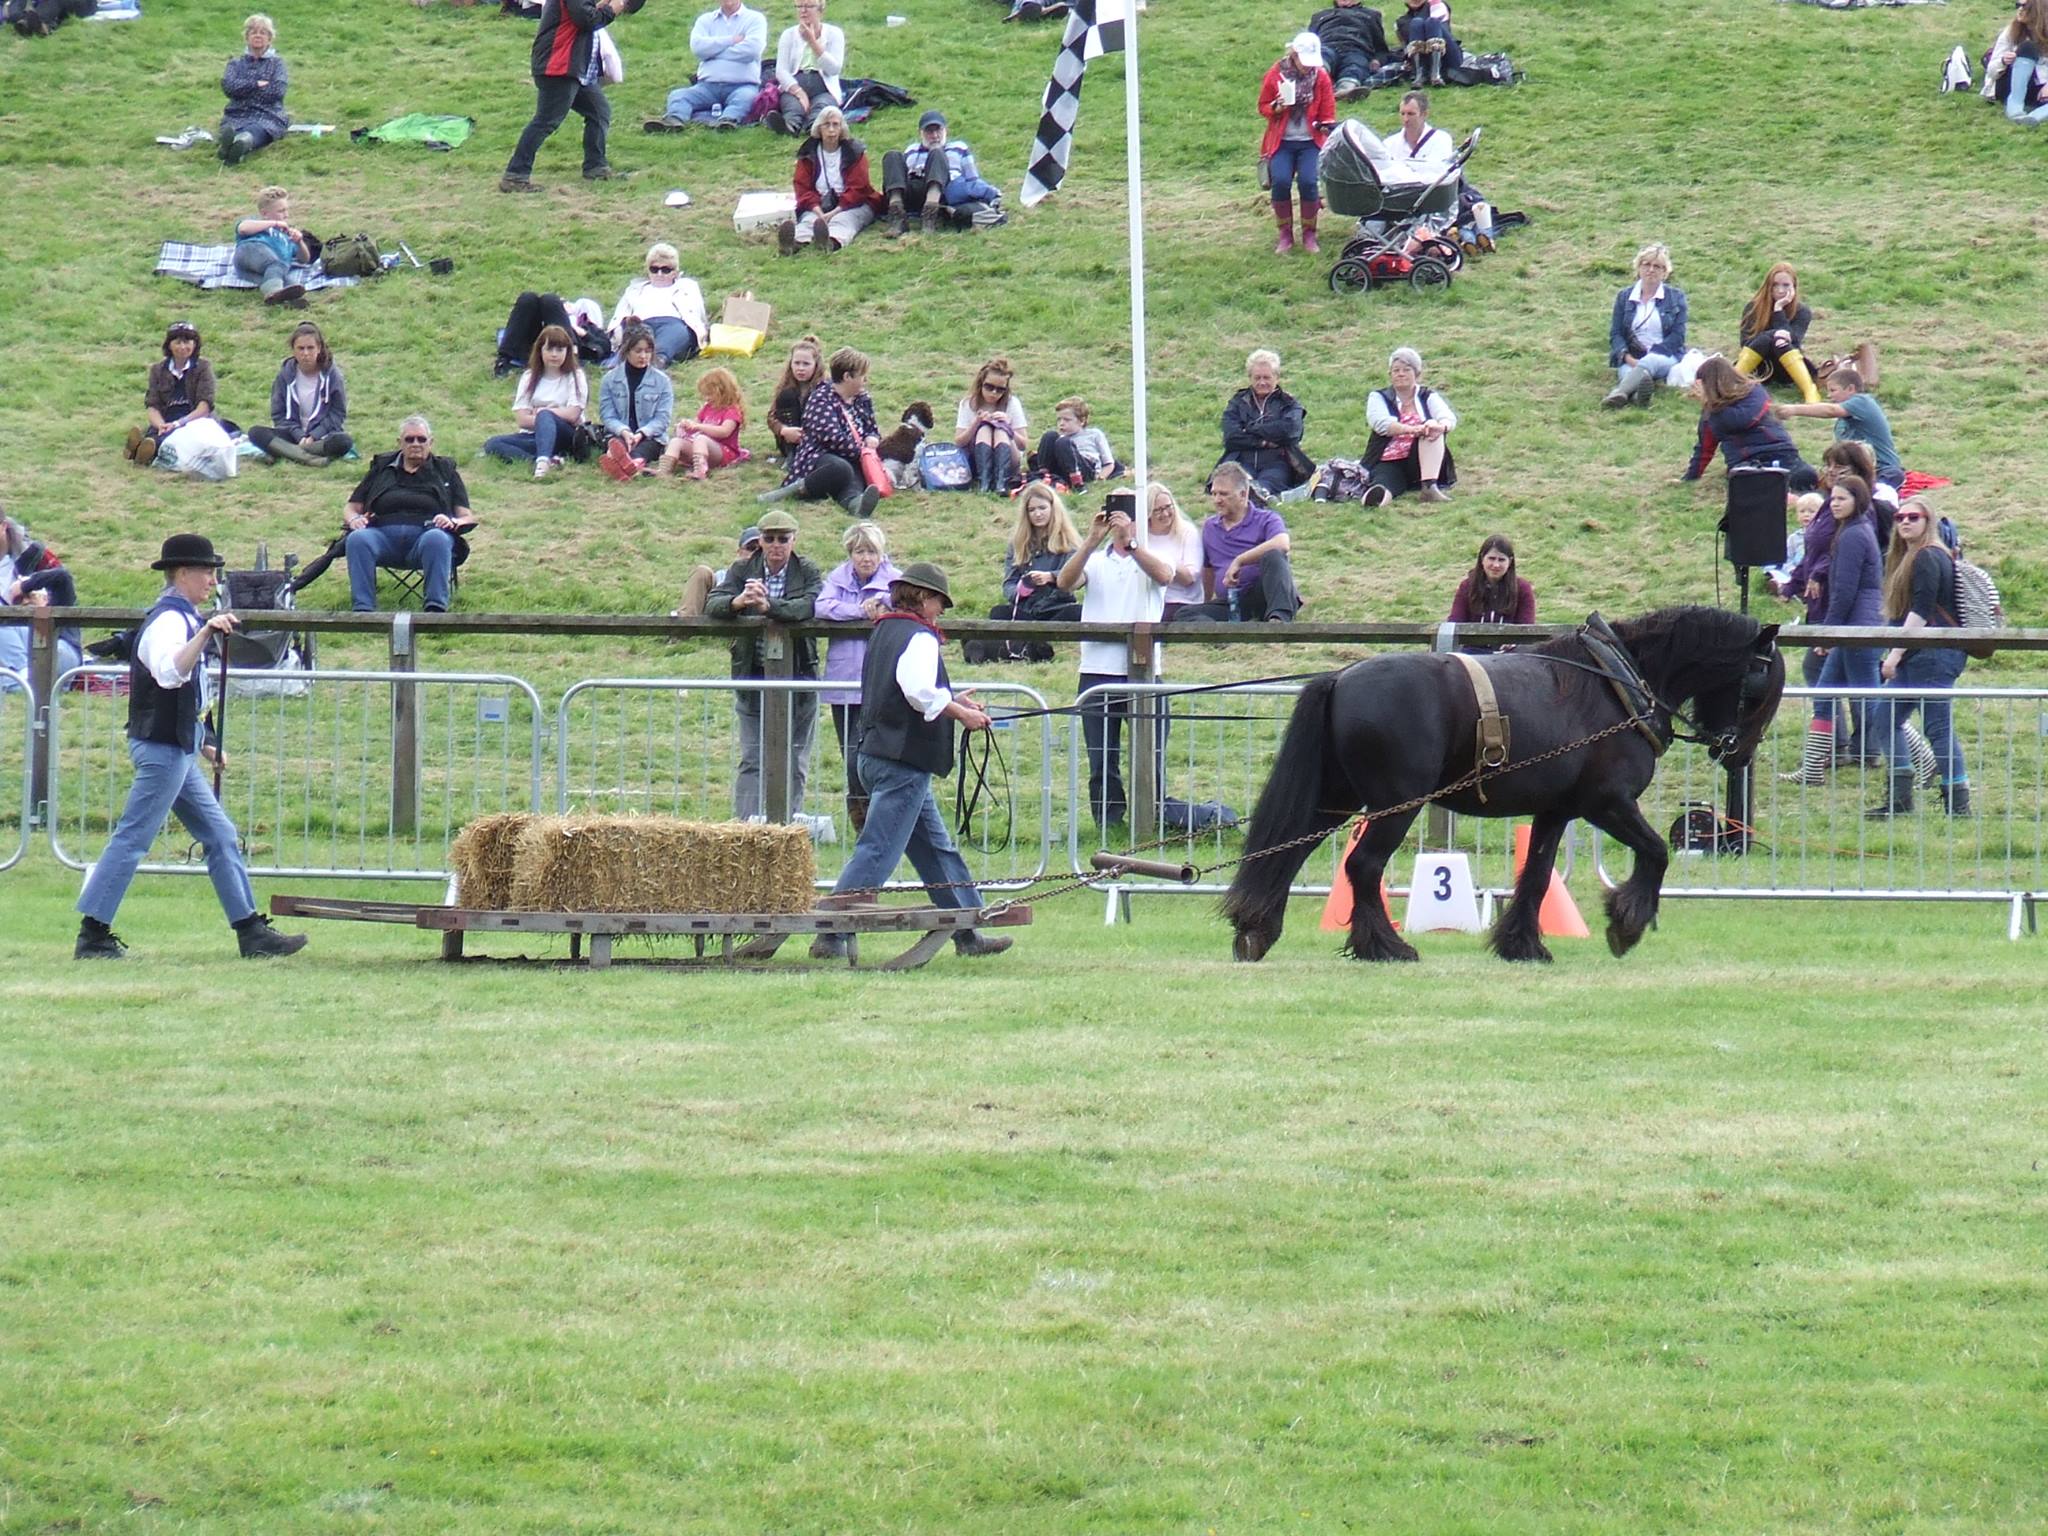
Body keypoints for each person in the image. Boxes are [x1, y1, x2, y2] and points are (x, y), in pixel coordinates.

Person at [72, 534, 308, 963]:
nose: (213, 580)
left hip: (177, 748)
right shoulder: (169, 622)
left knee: (220, 836)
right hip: (163, 751)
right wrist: (203, 634)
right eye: (207, 571)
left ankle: (250, 931)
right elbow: (168, 674)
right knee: (133, 839)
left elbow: (194, 696)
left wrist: (207, 743)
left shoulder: (183, 618)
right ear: (182, 573)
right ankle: (92, 933)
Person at [809, 562, 1013, 962]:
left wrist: (956, 700)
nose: (941, 610)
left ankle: (968, 931)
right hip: (900, 761)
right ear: (922, 597)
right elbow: (918, 691)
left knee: (937, 850)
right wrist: (961, 713)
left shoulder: (885, 630)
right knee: (878, 849)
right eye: (939, 601)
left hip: (878, 756)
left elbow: (902, 689)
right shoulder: (919, 637)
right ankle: (830, 934)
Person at [1058, 493, 1175, 826]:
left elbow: (1165, 575)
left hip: (1145, 672)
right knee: (1101, 757)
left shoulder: (1154, 554)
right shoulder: (1094, 561)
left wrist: (1133, 544)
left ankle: (1152, 816)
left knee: (1151, 754)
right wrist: (1092, 539)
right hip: (1097, 671)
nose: (1121, 523)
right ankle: (1108, 822)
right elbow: (1065, 583)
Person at [704, 509, 822, 820]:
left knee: (795, 757)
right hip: (752, 674)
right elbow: (713, 602)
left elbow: (810, 604)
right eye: (769, 539)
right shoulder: (742, 569)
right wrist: (738, 602)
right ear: (760, 541)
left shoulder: (807, 569)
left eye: (783, 539)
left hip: (799, 676)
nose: (776, 546)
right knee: (752, 756)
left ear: (794, 540)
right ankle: (745, 825)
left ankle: (789, 822)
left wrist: (771, 607)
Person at [1870, 497, 1971, 818]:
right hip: (1918, 656)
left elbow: (1921, 612)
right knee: (1884, 719)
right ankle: (1900, 798)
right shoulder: (1909, 557)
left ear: (1929, 521)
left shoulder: (1929, 556)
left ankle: (1958, 803)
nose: (1905, 522)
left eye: (1915, 517)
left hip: (1933, 655)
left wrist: (1894, 655)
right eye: (1900, 517)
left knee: (1938, 728)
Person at [1782, 475, 1883, 788]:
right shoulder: (1851, 531)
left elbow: (1844, 591)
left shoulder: (1853, 535)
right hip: (1852, 629)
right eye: (1833, 499)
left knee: (1874, 702)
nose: (1835, 504)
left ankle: (1921, 760)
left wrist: (1828, 633)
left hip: (1857, 630)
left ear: (1858, 501)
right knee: (1825, 693)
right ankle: (1813, 768)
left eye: (1842, 499)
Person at [501, 0, 645, 193]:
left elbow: (585, 14)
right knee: (546, 121)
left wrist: (603, 6)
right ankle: (515, 176)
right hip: (559, 66)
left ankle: (596, 167)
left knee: (598, 112)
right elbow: (587, 20)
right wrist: (615, 7)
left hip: (572, 68)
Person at [343, 417, 477, 612]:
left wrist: (451, 521)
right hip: (382, 537)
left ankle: (435, 610)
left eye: (421, 439)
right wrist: (355, 520)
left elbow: (467, 517)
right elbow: (350, 507)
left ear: (430, 443)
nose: (416, 444)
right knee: (357, 539)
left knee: (438, 538)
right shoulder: (381, 468)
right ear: (400, 443)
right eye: (409, 439)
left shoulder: (445, 470)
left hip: (426, 536)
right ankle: (363, 610)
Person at [815, 520, 898, 833]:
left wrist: (882, 605)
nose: (866, 558)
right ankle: (861, 820)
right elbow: (823, 608)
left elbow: (900, 604)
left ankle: (878, 817)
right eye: (860, 551)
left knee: (871, 754)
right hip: (843, 680)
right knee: (849, 753)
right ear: (851, 553)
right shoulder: (837, 579)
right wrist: (860, 611)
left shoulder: (894, 580)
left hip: (879, 681)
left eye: (872, 552)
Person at [1171, 462, 1300, 623]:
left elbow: (1282, 543)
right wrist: (1206, 601)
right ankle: (1217, 634)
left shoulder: (1267, 519)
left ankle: (1279, 619)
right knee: (1184, 613)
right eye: (1214, 494)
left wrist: (1240, 561)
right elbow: (1208, 569)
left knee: (1274, 556)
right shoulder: (1210, 527)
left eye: (1224, 494)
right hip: (1233, 603)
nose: (1217, 500)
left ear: (1243, 494)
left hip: (1264, 595)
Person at [766, 345, 884, 514]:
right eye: (862, 376)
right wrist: (862, 452)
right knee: (840, 468)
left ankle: (856, 504)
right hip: (819, 456)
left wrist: (872, 438)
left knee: (855, 472)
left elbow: (872, 427)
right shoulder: (821, 397)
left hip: (854, 456)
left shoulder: (863, 398)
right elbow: (831, 438)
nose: (865, 381)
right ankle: (789, 492)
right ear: (847, 377)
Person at [1259, 32, 1336, 255]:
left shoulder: (1320, 77)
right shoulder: (1275, 74)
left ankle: (1310, 234)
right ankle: (1285, 234)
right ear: (1294, 55)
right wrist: (1276, 108)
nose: (1308, 67)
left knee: (1309, 182)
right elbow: (1263, 106)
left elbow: (1328, 111)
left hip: (1310, 141)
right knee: (1281, 181)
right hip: (1282, 141)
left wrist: (1325, 125)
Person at [1680, 356, 1811, 485]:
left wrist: (1710, 404)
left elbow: (1741, 420)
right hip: (1746, 462)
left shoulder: (1754, 392)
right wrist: (1690, 478)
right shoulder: (1711, 412)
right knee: (1751, 484)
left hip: (1780, 452)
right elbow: (1704, 448)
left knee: (1806, 476)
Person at [985, 482, 1084, 648]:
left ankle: (1034, 640)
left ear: (1053, 509)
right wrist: (1021, 589)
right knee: (998, 612)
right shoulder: (1017, 544)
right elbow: (1008, 583)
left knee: (1078, 612)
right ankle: (1031, 642)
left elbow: (1077, 577)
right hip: (1026, 608)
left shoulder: (1070, 542)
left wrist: (1050, 577)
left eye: (1042, 508)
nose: (1038, 514)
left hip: (1057, 607)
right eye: (1032, 510)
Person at [1774, 367, 1903, 491]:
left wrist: (1794, 409)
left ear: (1851, 389)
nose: (1829, 396)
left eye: (1833, 390)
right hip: (1853, 472)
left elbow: (1830, 410)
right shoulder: (1841, 422)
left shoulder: (1862, 401)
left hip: (1882, 469)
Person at [483, 324, 588, 476]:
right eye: (549, 349)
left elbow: (573, 414)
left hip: (566, 434)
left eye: (559, 350)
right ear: (540, 350)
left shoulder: (575, 375)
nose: (554, 355)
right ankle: (544, 460)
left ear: (567, 352)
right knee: (493, 444)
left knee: (545, 415)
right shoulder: (528, 377)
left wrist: (543, 414)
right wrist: (546, 421)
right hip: (534, 435)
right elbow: (522, 420)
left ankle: (542, 463)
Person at [880, 110, 1004, 237]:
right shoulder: (912, 150)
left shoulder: (959, 148)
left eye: (938, 130)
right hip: (914, 189)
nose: (934, 136)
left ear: (945, 131)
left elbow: (972, 179)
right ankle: (897, 216)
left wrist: (990, 193)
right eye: (929, 132)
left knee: (937, 152)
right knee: (892, 155)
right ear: (921, 133)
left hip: (942, 192)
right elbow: (898, 176)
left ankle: (930, 214)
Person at [1362, 346, 1457, 505]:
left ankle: (1429, 487)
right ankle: (1375, 500)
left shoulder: (1428, 395)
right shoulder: (1378, 397)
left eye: (1406, 370)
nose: (1400, 374)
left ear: (1417, 374)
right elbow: (1381, 424)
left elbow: (1447, 418)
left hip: (1422, 460)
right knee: (1384, 484)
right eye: (1396, 370)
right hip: (1389, 459)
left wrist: (1440, 427)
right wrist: (1412, 430)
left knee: (1432, 427)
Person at [781, 106, 884, 253]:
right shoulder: (807, 153)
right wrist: (818, 212)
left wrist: (834, 212)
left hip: (852, 204)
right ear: (819, 128)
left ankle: (829, 243)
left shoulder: (854, 152)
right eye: (826, 125)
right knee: (809, 221)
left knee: (844, 221)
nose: (831, 130)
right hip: (819, 204)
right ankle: (794, 243)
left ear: (842, 128)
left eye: (835, 124)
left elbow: (859, 188)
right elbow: (802, 187)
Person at [652, 0, 768, 127]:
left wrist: (712, 52)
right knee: (678, 95)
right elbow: (698, 48)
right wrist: (731, 40)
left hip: (742, 86)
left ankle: (727, 121)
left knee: (746, 99)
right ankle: (674, 121)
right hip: (706, 87)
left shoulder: (755, 19)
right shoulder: (705, 20)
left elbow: (752, 50)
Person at [251, 322, 352, 467]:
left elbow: (337, 414)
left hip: (322, 436)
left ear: (319, 349)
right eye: (300, 348)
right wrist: (299, 435)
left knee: (344, 441)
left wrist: (313, 435)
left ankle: (286, 453)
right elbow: (279, 415)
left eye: (310, 348)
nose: (305, 353)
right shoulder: (284, 376)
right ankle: (309, 458)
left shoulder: (333, 376)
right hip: (291, 435)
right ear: (293, 350)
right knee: (255, 432)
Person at [0, 514, 82, 686]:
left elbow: (63, 577)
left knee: (53, 653)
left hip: (59, 644)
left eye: (30, 596)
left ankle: (21, 680)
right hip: (20, 643)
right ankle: (21, 677)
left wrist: (24, 587)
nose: (26, 601)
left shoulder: (35, 559)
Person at [1604, 242, 1688, 409]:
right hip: (1632, 356)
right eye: (1646, 264)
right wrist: (1627, 357)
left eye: (1657, 266)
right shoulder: (1624, 296)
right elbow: (1616, 333)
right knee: (1629, 372)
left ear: (1665, 272)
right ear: (1638, 267)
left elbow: (1678, 336)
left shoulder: (1676, 297)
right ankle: (1638, 398)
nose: (1651, 269)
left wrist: (1652, 355)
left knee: (1650, 362)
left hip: (1664, 355)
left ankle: (1618, 393)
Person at [1217, 348, 1310, 499]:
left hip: (1277, 462)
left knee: (1270, 481)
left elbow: (1290, 432)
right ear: (1250, 378)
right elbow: (1231, 437)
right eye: (1257, 377)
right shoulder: (1237, 402)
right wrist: (1264, 442)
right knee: (1236, 479)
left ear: (1277, 377)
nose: (1262, 382)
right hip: (1242, 459)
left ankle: (1258, 493)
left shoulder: (1289, 403)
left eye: (1267, 377)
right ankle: (1250, 492)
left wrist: (1250, 428)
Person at [125, 322, 220, 468]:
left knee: (173, 439)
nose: (183, 347)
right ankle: (141, 449)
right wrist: (160, 424)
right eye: (178, 342)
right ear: (169, 345)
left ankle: (141, 450)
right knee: (160, 434)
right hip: (166, 419)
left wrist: (178, 423)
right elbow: (152, 405)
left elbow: (205, 406)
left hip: (192, 420)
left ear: (195, 345)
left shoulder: (203, 368)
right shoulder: (157, 370)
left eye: (187, 342)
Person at [1734, 262, 1822, 405]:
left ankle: (1810, 392)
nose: (1780, 290)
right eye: (1775, 285)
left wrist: (1778, 309)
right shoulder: (1752, 308)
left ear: (1794, 287)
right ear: (1768, 287)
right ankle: (1732, 382)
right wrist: (1773, 333)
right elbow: (1745, 344)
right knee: (1769, 339)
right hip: (1758, 368)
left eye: (1786, 285)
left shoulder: (1802, 311)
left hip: (1786, 369)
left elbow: (1793, 341)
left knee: (1780, 341)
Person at [610, 243, 708, 367]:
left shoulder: (687, 287)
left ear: (675, 272)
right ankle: (633, 358)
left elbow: (698, 314)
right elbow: (619, 315)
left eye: (666, 270)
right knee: (637, 331)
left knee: (677, 332)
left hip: (672, 324)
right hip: (642, 323)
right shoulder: (634, 290)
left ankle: (658, 360)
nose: (659, 274)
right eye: (654, 269)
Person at [596, 324, 674, 476]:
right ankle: (622, 462)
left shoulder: (662, 381)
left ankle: (631, 465)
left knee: (645, 448)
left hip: (651, 437)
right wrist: (624, 431)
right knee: (617, 444)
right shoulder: (609, 380)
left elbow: (663, 418)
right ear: (626, 351)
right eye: (638, 351)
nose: (643, 356)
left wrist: (642, 433)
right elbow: (607, 415)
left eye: (648, 351)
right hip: (620, 433)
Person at [219, 14, 290, 166]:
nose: (258, 35)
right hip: (237, 113)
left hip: (268, 114)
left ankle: (239, 146)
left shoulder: (277, 63)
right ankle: (233, 147)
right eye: (253, 32)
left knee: (256, 130)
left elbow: (277, 91)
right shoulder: (235, 63)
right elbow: (229, 87)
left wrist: (243, 88)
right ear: (247, 37)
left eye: (263, 32)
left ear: (269, 38)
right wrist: (256, 85)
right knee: (232, 128)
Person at [655, 366, 750, 478]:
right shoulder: (707, 408)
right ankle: (664, 470)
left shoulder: (732, 410)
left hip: (723, 452)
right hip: (700, 449)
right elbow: (696, 426)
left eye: (710, 394)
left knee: (701, 439)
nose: (707, 398)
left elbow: (725, 432)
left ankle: (700, 471)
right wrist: (687, 427)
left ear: (723, 392)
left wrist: (699, 427)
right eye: (705, 394)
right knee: (676, 441)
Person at [956, 358, 1029, 493]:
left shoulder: (1012, 403)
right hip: (976, 460)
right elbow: (959, 442)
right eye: (989, 387)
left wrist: (1008, 427)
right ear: (981, 384)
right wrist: (976, 423)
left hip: (1009, 462)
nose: (994, 393)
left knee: (1000, 430)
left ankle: (1001, 482)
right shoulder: (967, 404)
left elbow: (1023, 444)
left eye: (1000, 389)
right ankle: (984, 481)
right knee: (984, 428)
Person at [771, 0, 844, 135]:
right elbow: (781, 71)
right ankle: (789, 126)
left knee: (822, 106)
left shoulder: (834, 33)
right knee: (792, 107)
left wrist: (812, 42)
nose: (803, 11)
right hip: (796, 83)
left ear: (820, 9)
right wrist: (799, 93)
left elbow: (834, 69)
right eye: (799, 6)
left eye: (809, 6)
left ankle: (814, 128)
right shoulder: (788, 34)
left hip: (823, 85)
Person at [494, 291, 607, 375]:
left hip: (563, 350)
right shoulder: (546, 310)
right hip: (533, 347)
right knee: (527, 298)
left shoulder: (585, 326)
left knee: (550, 299)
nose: (566, 305)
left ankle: (571, 358)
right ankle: (503, 359)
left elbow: (604, 345)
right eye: (563, 303)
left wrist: (583, 333)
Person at [233, 185, 311, 305]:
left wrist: (299, 242)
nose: (286, 215)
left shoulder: (287, 236)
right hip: (250, 251)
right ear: (265, 213)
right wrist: (274, 223)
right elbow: (243, 229)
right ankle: (273, 292)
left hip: (262, 271)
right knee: (276, 264)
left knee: (288, 281)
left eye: (286, 210)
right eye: (281, 211)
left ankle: (287, 302)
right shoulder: (257, 222)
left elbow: (304, 259)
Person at [1446, 534, 1534, 639]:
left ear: (1510, 562)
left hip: (1511, 652)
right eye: (1491, 558)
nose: (1496, 565)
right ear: (1482, 558)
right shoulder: (1467, 586)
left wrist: (1513, 642)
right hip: (1471, 650)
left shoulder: (1523, 588)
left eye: (1501, 560)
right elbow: (1455, 622)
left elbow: (1526, 628)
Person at [1146, 483, 1206, 621]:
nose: (1165, 514)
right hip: (1152, 602)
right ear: (1148, 513)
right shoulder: (1141, 536)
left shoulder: (1187, 532)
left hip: (1183, 603)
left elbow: (1189, 578)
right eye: (1158, 510)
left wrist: (1162, 562)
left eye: (1168, 507)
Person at [1034, 397, 1120, 491]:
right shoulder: (1059, 438)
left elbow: (1109, 463)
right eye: (1059, 420)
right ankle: (1043, 476)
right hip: (1063, 470)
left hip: (1085, 469)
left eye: (1067, 420)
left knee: (1063, 442)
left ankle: (1078, 485)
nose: (1061, 424)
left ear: (1082, 421)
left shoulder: (1094, 434)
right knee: (1049, 435)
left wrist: (1100, 478)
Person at [1309, 0, 1389, 100]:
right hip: (1327, 46)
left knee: (1354, 66)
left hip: (1356, 49)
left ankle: (1345, 90)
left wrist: (1377, 60)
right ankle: (1315, 83)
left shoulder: (1370, 15)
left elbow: (1381, 48)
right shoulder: (1320, 16)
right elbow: (1310, 41)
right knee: (1322, 60)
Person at [1988, 0, 2048, 123]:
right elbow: (1991, 71)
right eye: (2017, 5)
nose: (2020, 9)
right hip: (2010, 85)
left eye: (2024, 6)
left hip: (2041, 88)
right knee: (2027, 47)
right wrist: (2003, 61)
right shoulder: (2011, 31)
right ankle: (2015, 110)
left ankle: (2034, 118)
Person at [766, 334, 824, 459]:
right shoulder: (785, 386)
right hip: (790, 438)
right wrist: (783, 430)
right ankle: (792, 454)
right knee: (787, 396)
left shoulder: (825, 387)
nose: (800, 368)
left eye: (806, 364)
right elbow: (772, 416)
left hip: (816, 438)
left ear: (816, 365)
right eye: (797, 363)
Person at [1396, 0, 1461, 85]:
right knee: (1417, 23)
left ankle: (1435, 74)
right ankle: (1421, 75)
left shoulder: (1437, 5)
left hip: (1447, 58)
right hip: (1423, 61)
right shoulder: (1402, 21)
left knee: (1432, 22)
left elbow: (1437, 24)